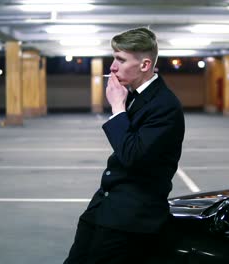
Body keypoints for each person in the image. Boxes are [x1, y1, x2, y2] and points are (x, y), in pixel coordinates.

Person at [63, 27, 185, 264]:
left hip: (130, 218)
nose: (112, 67)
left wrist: (117, 108)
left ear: (145, 65)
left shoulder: (165, 106)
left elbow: (133, 155)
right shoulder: (134, 95)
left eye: (120, 59)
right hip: (104, 207)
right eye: (114, 58)